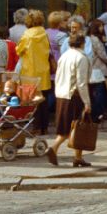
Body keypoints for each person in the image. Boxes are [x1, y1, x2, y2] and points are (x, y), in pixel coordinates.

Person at [46, 33, 92, 167]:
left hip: (61, 94)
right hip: (74, 95)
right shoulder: (81, 58)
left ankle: (78, 157)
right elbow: (81, 82)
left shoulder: (63, 56)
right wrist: (87, 102)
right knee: (76, 127)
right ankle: (54, 147)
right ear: (82, 43)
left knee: (75, 127)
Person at [15, 10, 54, 135]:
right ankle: (44, 127)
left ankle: (36, 127)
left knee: (33, 101)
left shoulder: (27, 35)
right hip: (44, 71)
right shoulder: (44, 33)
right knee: (43, 100)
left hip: (30, 71)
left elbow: (18, 50)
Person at [86, 20, 107, 123]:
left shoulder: (88, 38)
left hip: (90, 69)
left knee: (92, 92)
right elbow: (102, 54)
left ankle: (93, 114)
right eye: (100, 26)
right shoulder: (95, 39)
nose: (102, 28)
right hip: (98, 69)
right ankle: (98, 113)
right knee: (99, 93)